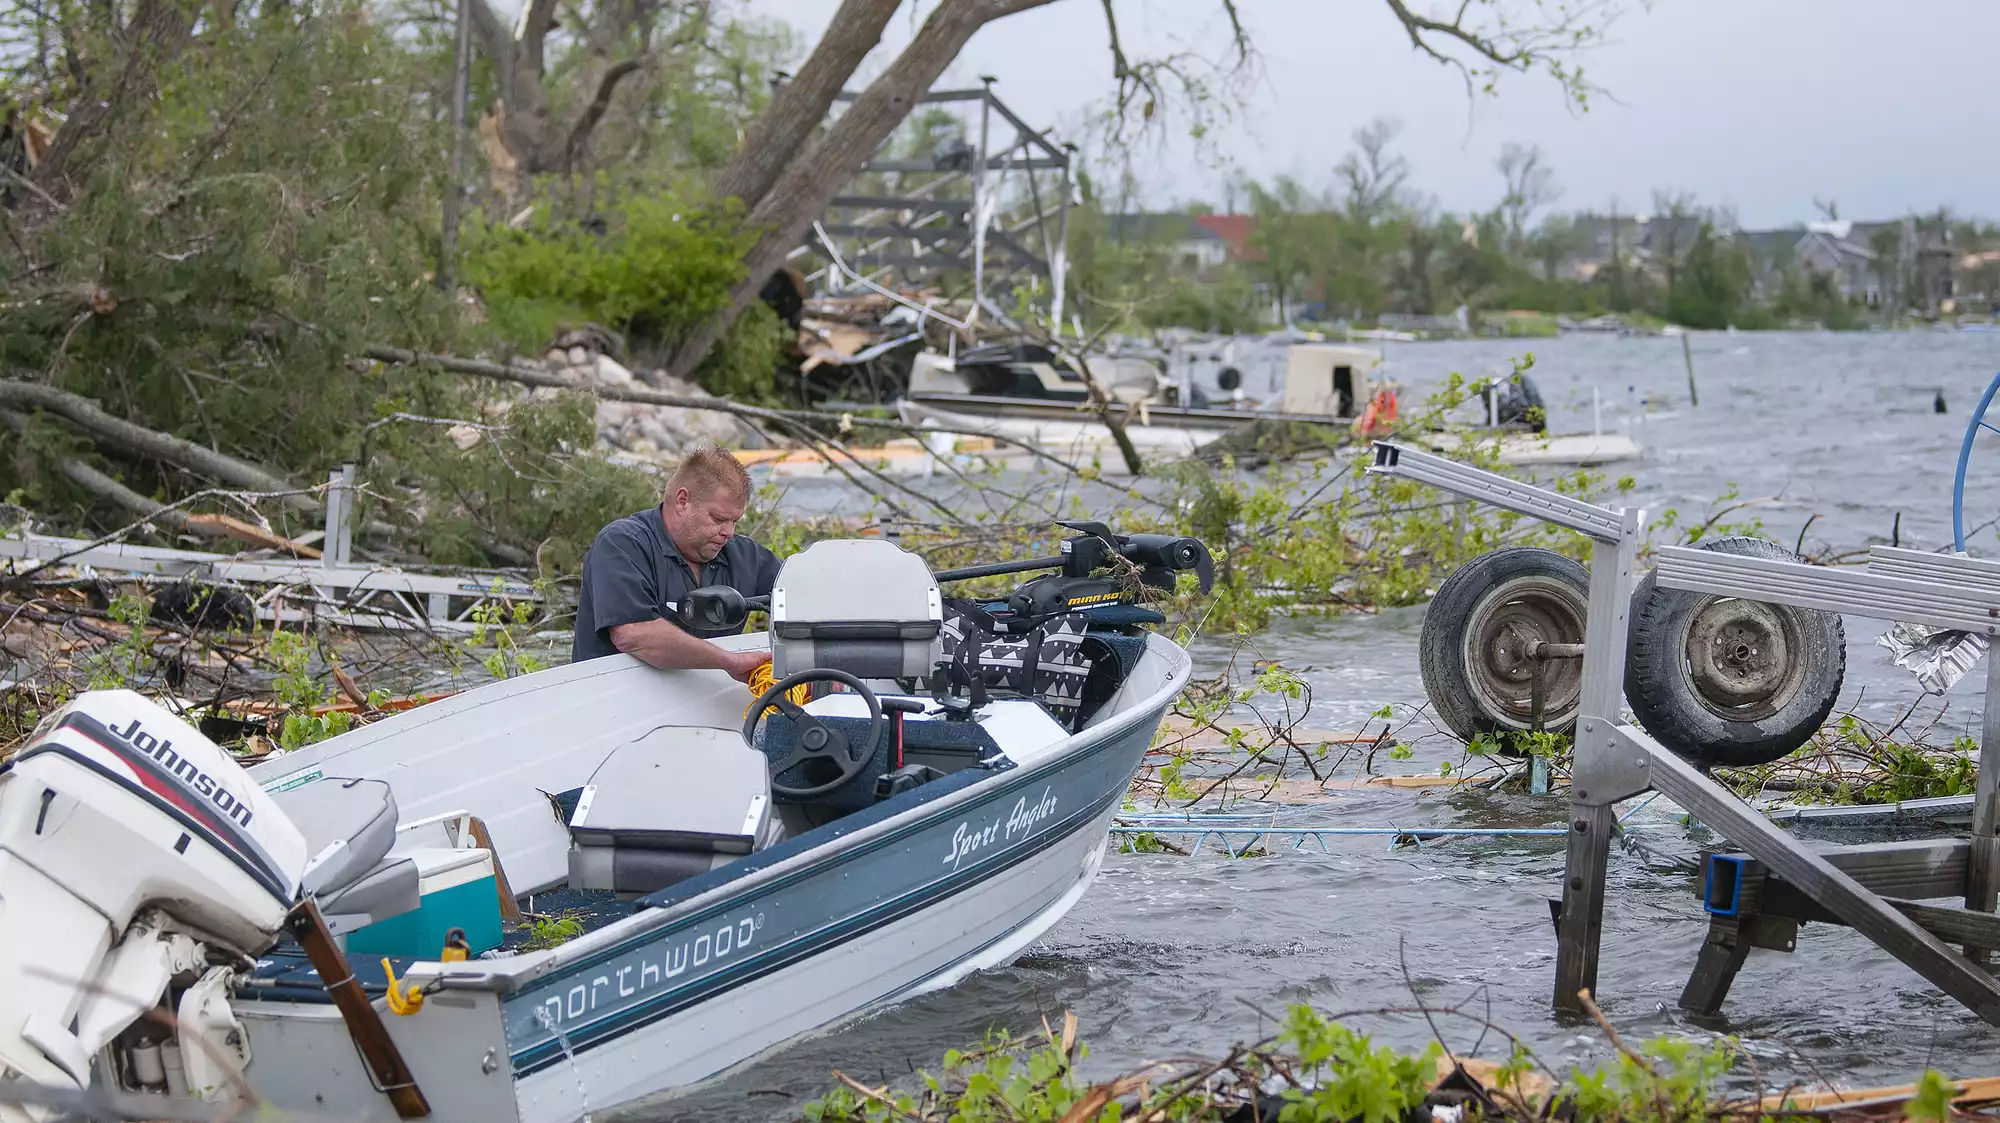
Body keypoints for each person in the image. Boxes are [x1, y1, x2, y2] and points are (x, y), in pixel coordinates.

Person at [571, 444, 779, 681]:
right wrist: (729, 662)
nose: (729, 532)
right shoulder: (623, 543)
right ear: (682, 501)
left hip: (704, 705)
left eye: (735, 521)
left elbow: (804, 588)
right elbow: (635, 635)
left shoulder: (745, 556)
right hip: (612, 703)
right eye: (718, 518)